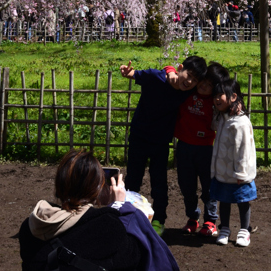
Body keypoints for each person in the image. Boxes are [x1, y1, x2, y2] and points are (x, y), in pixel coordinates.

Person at [17, 149, 178, 271]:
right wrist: (120, 206)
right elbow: (135, 258)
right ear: (97, 189)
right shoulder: (107, 225)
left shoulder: (30, 226)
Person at [118, 55, 206, 234]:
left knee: (159, 182)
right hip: (139, 136)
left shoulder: (187, 92)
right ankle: (126, 216)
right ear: (180, 68)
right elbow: (135, 74)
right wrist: (127, 72)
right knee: (133, 178)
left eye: (195, 80)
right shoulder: (154, 77)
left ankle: (159, 220)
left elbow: (211, 85)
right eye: (189, 75)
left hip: (161, 142)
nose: (190, 81)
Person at [166, 61, 229, 237]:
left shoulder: (215, 103)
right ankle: (192, 217)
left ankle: (210, 221)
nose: (204, 86)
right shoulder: (187, 92)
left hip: (205, 149)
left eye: (210, 85)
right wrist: (170, 70)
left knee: (208, 187)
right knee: (186, 186)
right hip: (184, 146)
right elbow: (172, 71)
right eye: (203, 81)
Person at [210, 78, 257, 247]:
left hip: (238, 173)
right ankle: (225, 228)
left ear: (233, 97)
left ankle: (244, 230)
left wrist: (241, 173)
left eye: (220, 95)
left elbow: (244, 149)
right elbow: (213, 126)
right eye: (215, 96)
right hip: (223, 170)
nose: (216, 99)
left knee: (242, 201)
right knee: (224, 200)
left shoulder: (241, 122)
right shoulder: (223, 117)